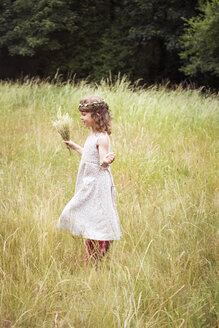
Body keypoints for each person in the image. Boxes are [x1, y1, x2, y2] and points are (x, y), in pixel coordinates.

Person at [57, 95, 121, 264]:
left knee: (97, 215)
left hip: (97, 184)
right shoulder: (92, 135)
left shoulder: (102, 138)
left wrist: (107, 160)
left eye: (85, 114)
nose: (81, 117)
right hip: (88, 182)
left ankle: (99, 252)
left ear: (97, 116)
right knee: (90, 214)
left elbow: (101, 160)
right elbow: (88, 154)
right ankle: (91, 254)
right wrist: (74, 145)